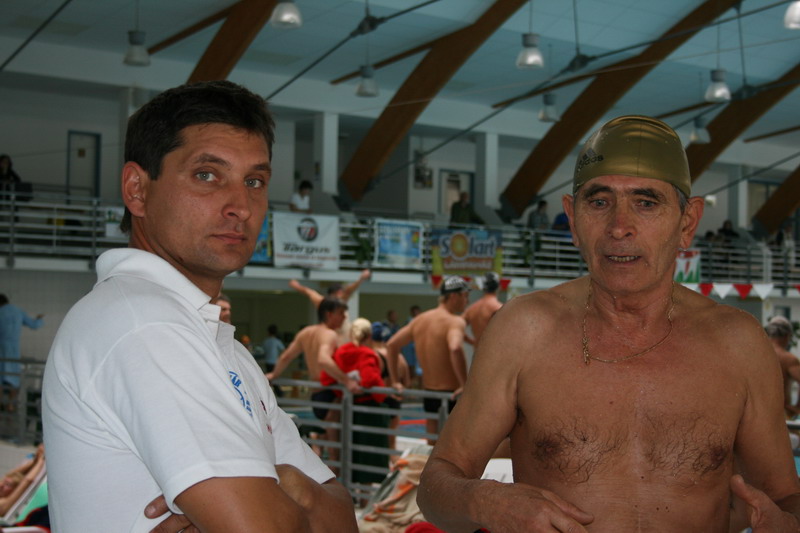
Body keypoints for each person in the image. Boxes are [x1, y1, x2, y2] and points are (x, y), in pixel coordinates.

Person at [416, 115, 800, 532]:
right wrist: (486, 502)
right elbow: (436, 485)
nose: (619, 228)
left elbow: (785, 494)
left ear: (687, 222)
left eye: (646, 203)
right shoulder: (524, 331)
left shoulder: (737, 342)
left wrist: (787, 522)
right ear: (573, 218)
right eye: (599, 202)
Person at [41, 80, 356, 533]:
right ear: (136, 189)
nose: (240, 206)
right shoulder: (145, 323)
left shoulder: (221, 345)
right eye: (207, 175)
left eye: (254, 181)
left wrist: (290, 486)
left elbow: (343, 520)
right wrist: (287, 496)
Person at [386, 275, 470, 442]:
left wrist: (395, 381)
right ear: (454, 296)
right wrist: (464, 384)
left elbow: (391, 345)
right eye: (465, 296)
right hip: (452, 394)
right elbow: (455, 348)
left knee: (432, 443)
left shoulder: (420, 320)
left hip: (430, 392)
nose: (467, 301)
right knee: (456, 445)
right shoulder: (455, 321)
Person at [320, 318, 388, 484]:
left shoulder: (341, 352)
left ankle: (351, 490)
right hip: (368, 412)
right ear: (369, 336)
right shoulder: (367, 354)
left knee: (350, 454)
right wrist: (382, 393)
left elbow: (327, 377)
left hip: (347, 408)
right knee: (368, 457)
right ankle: (365, 495)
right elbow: (370, 379)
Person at [0, 293, 43, 410]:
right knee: (14, 378)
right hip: (13, 351)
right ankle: (10, 405)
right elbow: (34, 325)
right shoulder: (17, 311)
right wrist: (39, 319)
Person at [766, 316, 800, 418]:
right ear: (787, 336)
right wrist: (797, 407)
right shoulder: (788, 359)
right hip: (780, 414)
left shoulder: (754, 355)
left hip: (755, 415)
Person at [288, 268, 371, 309]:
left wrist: (296, 286)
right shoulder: (339, 301)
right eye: (341, 293)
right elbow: (348, 291)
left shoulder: (321, 301)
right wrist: (361, 279)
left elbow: (309, 292)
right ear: (338, 292)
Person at [463, 271, 503, 347]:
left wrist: (472, 342)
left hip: (477, 352)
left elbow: (456, 326)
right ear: (498, 287)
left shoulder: (472, 309)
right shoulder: (498, 308)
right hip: (494, 351)